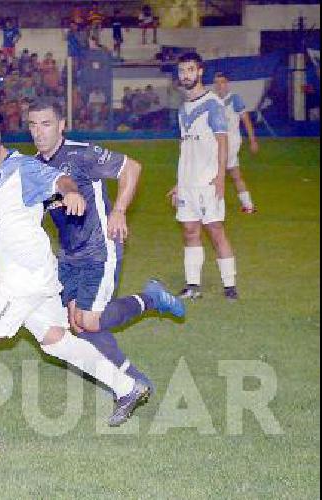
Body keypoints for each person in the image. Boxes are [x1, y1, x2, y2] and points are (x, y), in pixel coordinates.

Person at [0, 106, 152, 469]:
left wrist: (71, 192)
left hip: (23, 283)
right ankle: (128, 386)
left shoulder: (23, 169)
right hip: (36, 279)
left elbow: (58, 180)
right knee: (59, 343)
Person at [27, 98, 185, 391]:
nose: (39, 132)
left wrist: (120, 210)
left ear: (61, 125)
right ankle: (130, 376)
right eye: (33, 124)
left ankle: (151, 302)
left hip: (99, 247)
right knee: (77, 323)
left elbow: (132, 168)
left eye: (46, 124)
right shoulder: (35, 167)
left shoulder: (81, 154)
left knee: (88, 319)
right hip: (69, 253)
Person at [168, 53, 238, 300]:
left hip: (208, 180)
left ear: (200, 71)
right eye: (181, 71)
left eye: (190, 70)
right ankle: (192, 285)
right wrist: (179, 182)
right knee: (189, 231)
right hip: (188, 182)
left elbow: (222, 141)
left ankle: (230, 285)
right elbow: (184, 147)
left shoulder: (213, 103)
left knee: (215, 230)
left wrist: (220, 176)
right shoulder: (182, 107)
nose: (185, 75)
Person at [212, 72, 260, 213]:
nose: (220, 85)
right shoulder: (213, 100)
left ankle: (214, 206)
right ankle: (248, 205)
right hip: (218, 143)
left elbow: (246, 120)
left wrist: (252, 140)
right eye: (217, 82)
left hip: (230, 143)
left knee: (215, 173)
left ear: (227, 84)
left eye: (222, 82)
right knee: (235, 174)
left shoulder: (234, 99)